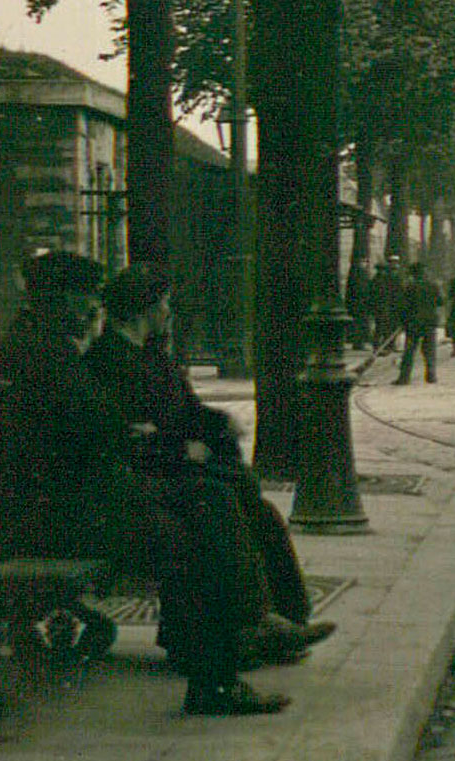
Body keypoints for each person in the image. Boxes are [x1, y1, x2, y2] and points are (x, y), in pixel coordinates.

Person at [0, 251, 289, 716]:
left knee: (207, 500)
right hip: (66, 510)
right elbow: (98, 422)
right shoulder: (44, 352)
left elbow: (95, 421)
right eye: (82, 298)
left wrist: (125, 429)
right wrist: (125, 429)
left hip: (72, 497)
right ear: (55, 298)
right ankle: (218, 671)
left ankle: (223, 654)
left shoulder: (41, 344)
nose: (91, 309)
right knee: (196, 522)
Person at [89, 266, 332, 665]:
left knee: (262, 513)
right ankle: (251, 624)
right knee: (222, 508)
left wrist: (218, 423)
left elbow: (183, 412)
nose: (169, 310)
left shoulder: (150, 354)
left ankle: (286, 618)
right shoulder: (109, 360)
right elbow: (126, 434)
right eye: (163, 302)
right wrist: (184, 448)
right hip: (150, 477)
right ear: (142, 310)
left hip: (171, 467)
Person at [393, 259, 441, 385]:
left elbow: (403, 306)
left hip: (413, 323)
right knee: (429, 350)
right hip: (429, 323)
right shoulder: (433, 286)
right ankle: (431, 375)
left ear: (413, 274)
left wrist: (402, 321)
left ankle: (404, 377)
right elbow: (440, 302)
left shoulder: (409, 287)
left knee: (409, 351)